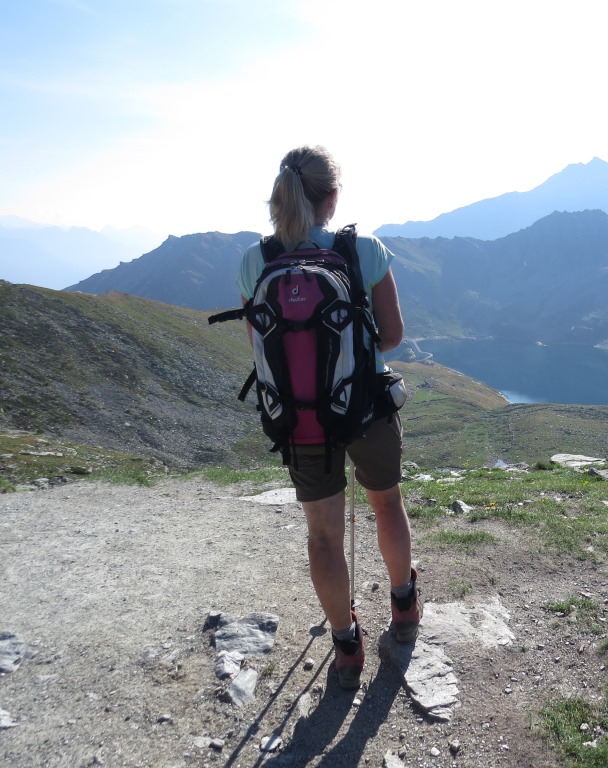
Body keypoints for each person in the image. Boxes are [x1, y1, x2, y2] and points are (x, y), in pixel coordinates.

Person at [235, 145, 421, 690]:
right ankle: (404, 606)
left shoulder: (254, 261)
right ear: (332, 197)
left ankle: (345, 646)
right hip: (365, 407)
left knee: (322, 537)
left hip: (300, 420)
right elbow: (393, 335)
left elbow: (260, 346)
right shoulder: (363, 250)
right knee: (387, 504)